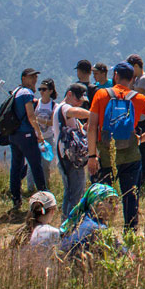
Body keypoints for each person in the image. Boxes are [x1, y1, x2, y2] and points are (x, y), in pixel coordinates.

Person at [86, 62, 145, 231]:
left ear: (115, 75)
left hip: (106, 155)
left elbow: (92, 126)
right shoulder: (138, 98)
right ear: (132, 79)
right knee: (131, 198)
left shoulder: (101, 94)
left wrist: (92, 156)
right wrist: (141, 139)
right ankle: (130, 234)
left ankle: (100, 233)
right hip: (131, 155)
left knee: (103, 197)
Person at [7, 68, 48, 212]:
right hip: (26, 135)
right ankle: (45, 198)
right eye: (31, 77)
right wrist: (39, 133)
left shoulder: (16, 92)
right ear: (23, 78)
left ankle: (16, 199)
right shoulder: (27, 93)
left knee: (16, 166)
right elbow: (31, 115)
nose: (34, 80)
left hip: (14, 135)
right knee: (36, 165)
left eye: (35, 77)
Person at [59, 183, 127, 261]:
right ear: (96, 203)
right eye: (110, 202)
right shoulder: (98, 228)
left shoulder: (80, 219)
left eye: (117, 202)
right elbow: (124, 254)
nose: (115, 207)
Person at [54, 83, 91, 219]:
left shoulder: (63, 110)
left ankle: (67, 224)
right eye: (78, 99)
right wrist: (93, 114)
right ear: (69, 94)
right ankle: (70, 226)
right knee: (75, 194)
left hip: (66, 158)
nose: (80, 103)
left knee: (70, 193)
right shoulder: (64, 107)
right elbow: (74, 112)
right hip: (69, 160)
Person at [127, 54, 145, 189]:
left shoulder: (144, 79)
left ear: (136, 67)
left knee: (143, 147)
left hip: (144, 118)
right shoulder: (139, 78)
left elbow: (135, 93)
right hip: (141, 117)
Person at [27, 78, 57, 194]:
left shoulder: (54, 105)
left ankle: (45, 187)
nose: (41, 91)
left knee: (45, 164)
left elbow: (52, 122)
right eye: (40, 89)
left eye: (44, 89)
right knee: (32, 163)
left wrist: (38, 120)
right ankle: (30, 188)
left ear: (50, 91)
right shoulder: (35, 103)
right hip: (35, 137)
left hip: (48, 138)